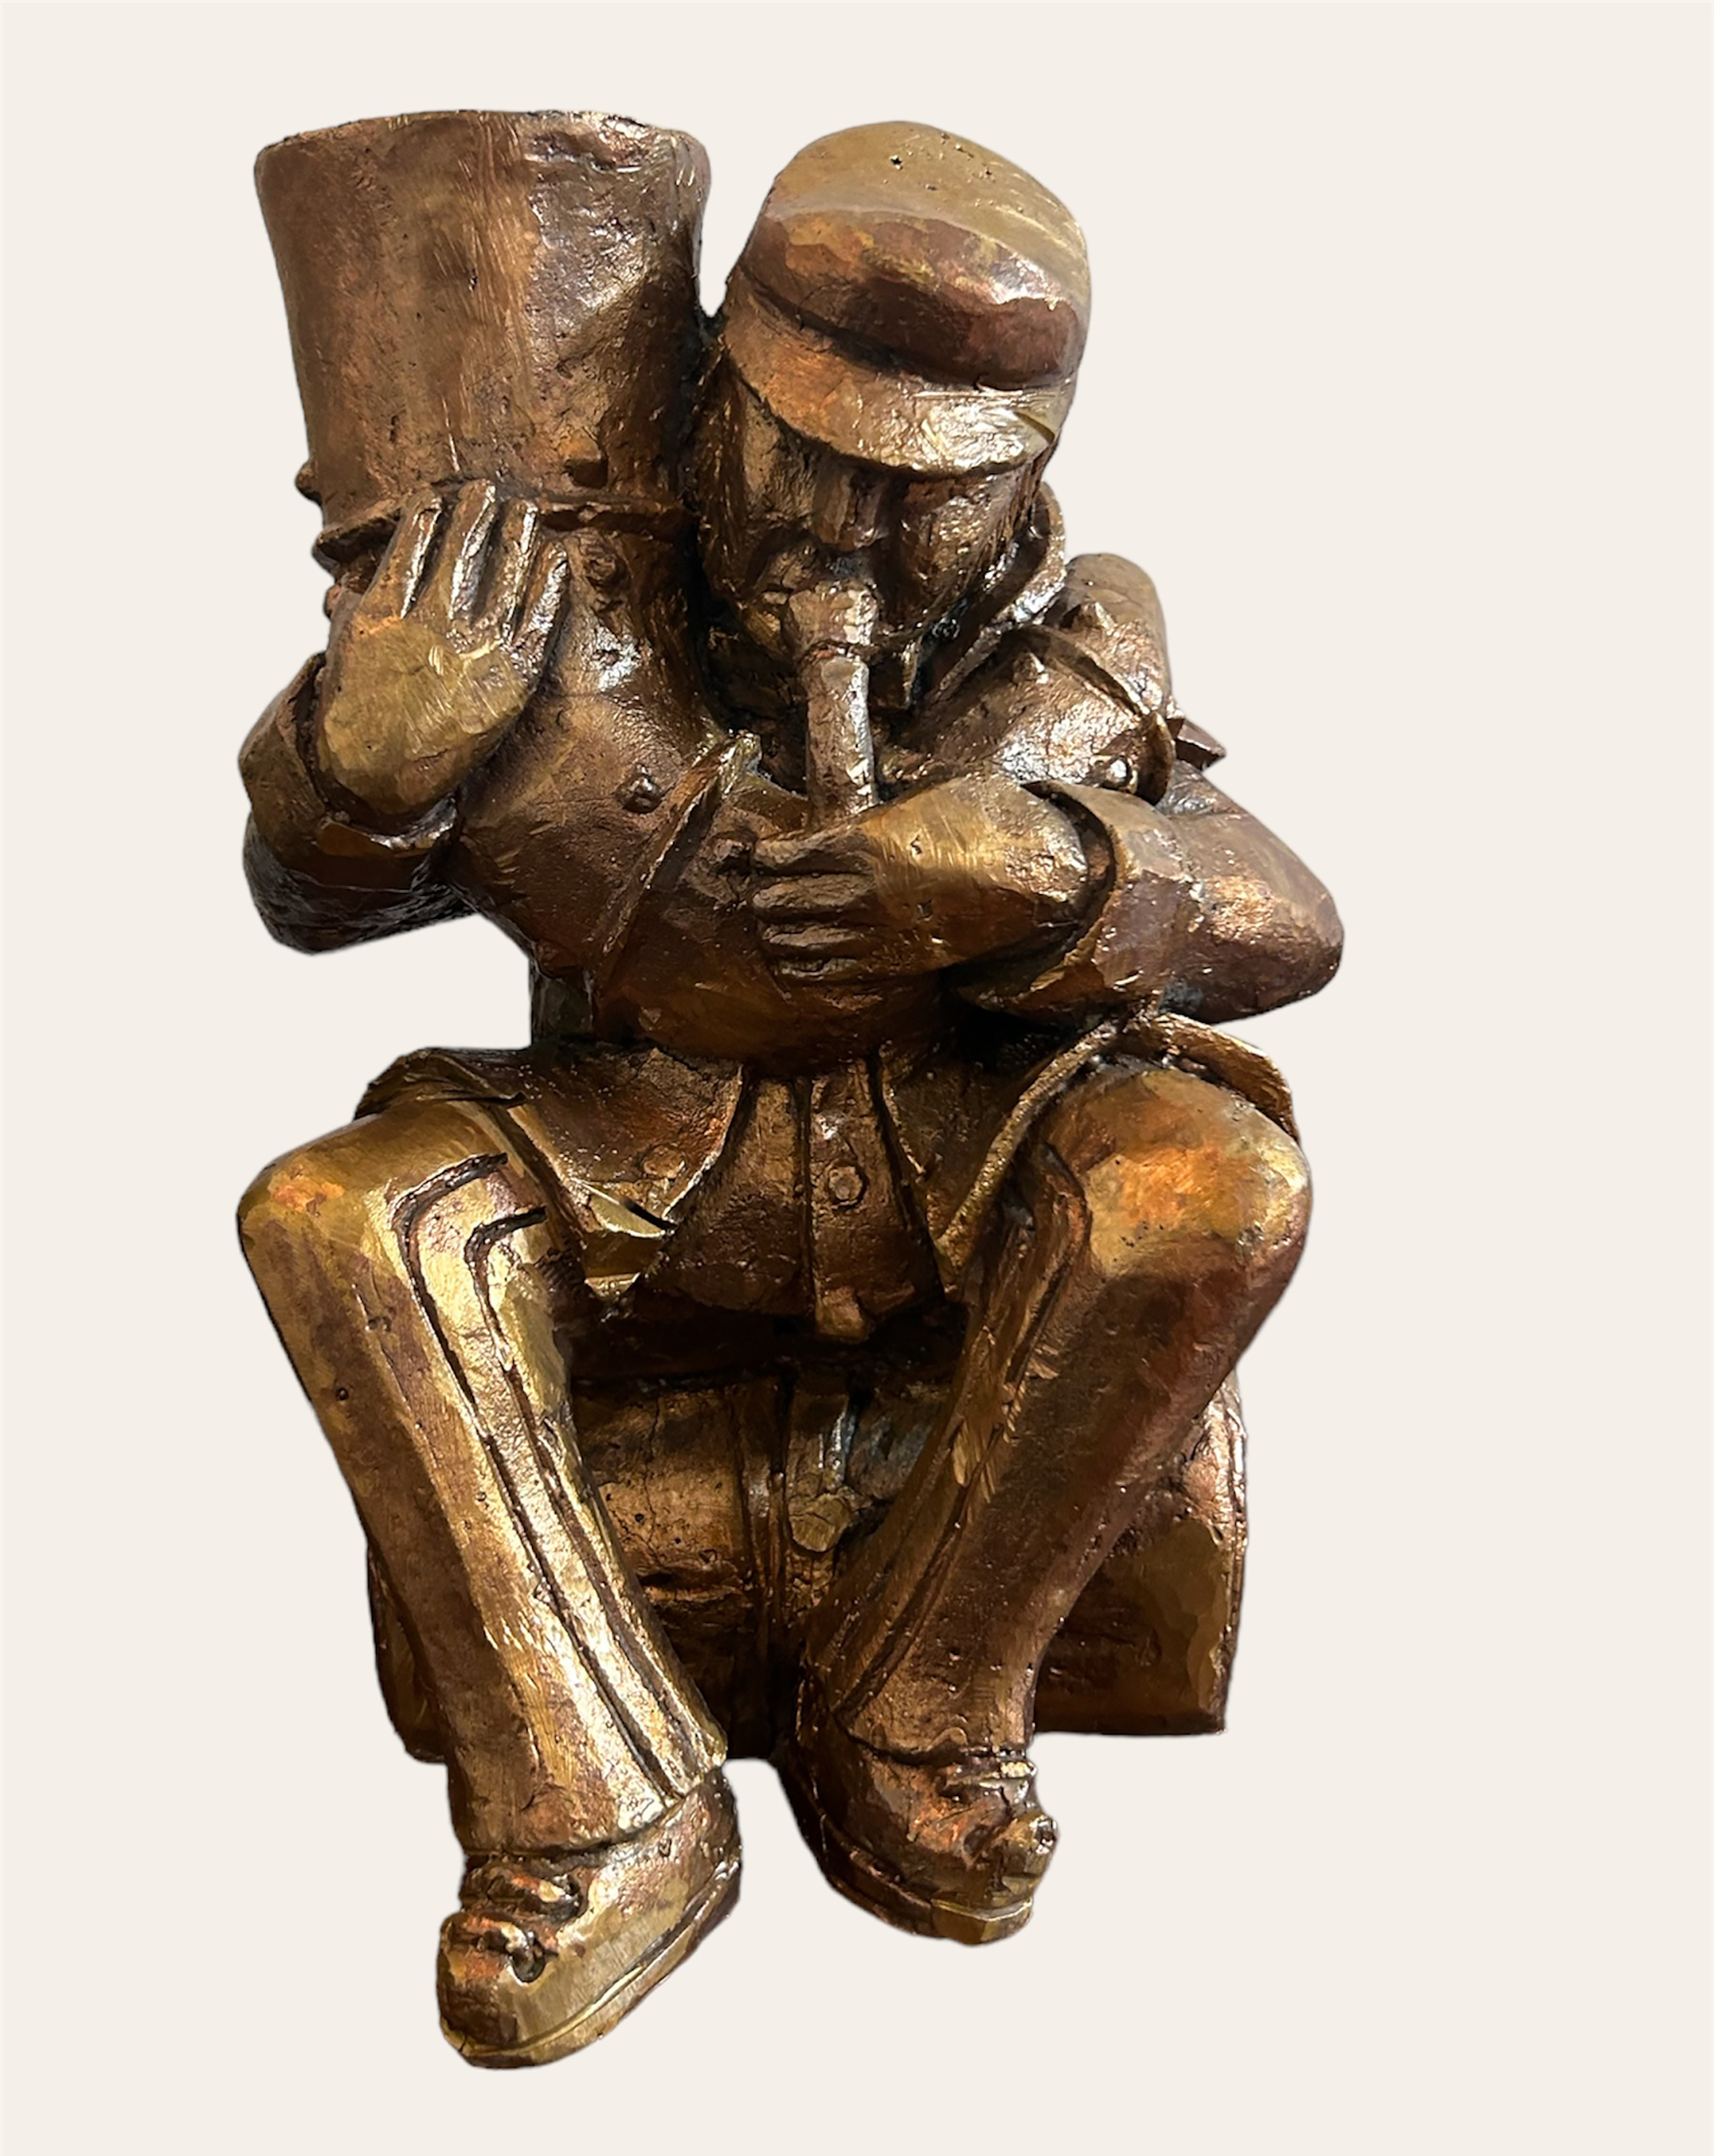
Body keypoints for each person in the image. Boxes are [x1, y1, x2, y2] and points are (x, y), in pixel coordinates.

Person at [240, 118, 1341, 2066]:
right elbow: (317, 897)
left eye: (922, 495)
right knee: (343, 1217)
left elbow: (1290, 916)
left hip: (956, 1151)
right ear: (707, 394)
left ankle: (925, 1694)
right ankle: (598, 1798)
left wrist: (1061, 870)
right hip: (646, 1145)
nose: (846, 533)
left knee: (1210, 1182)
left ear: (1027, 479)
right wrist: (358, 767)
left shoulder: (1067, 651)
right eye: (799, 453)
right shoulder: (568, 613)